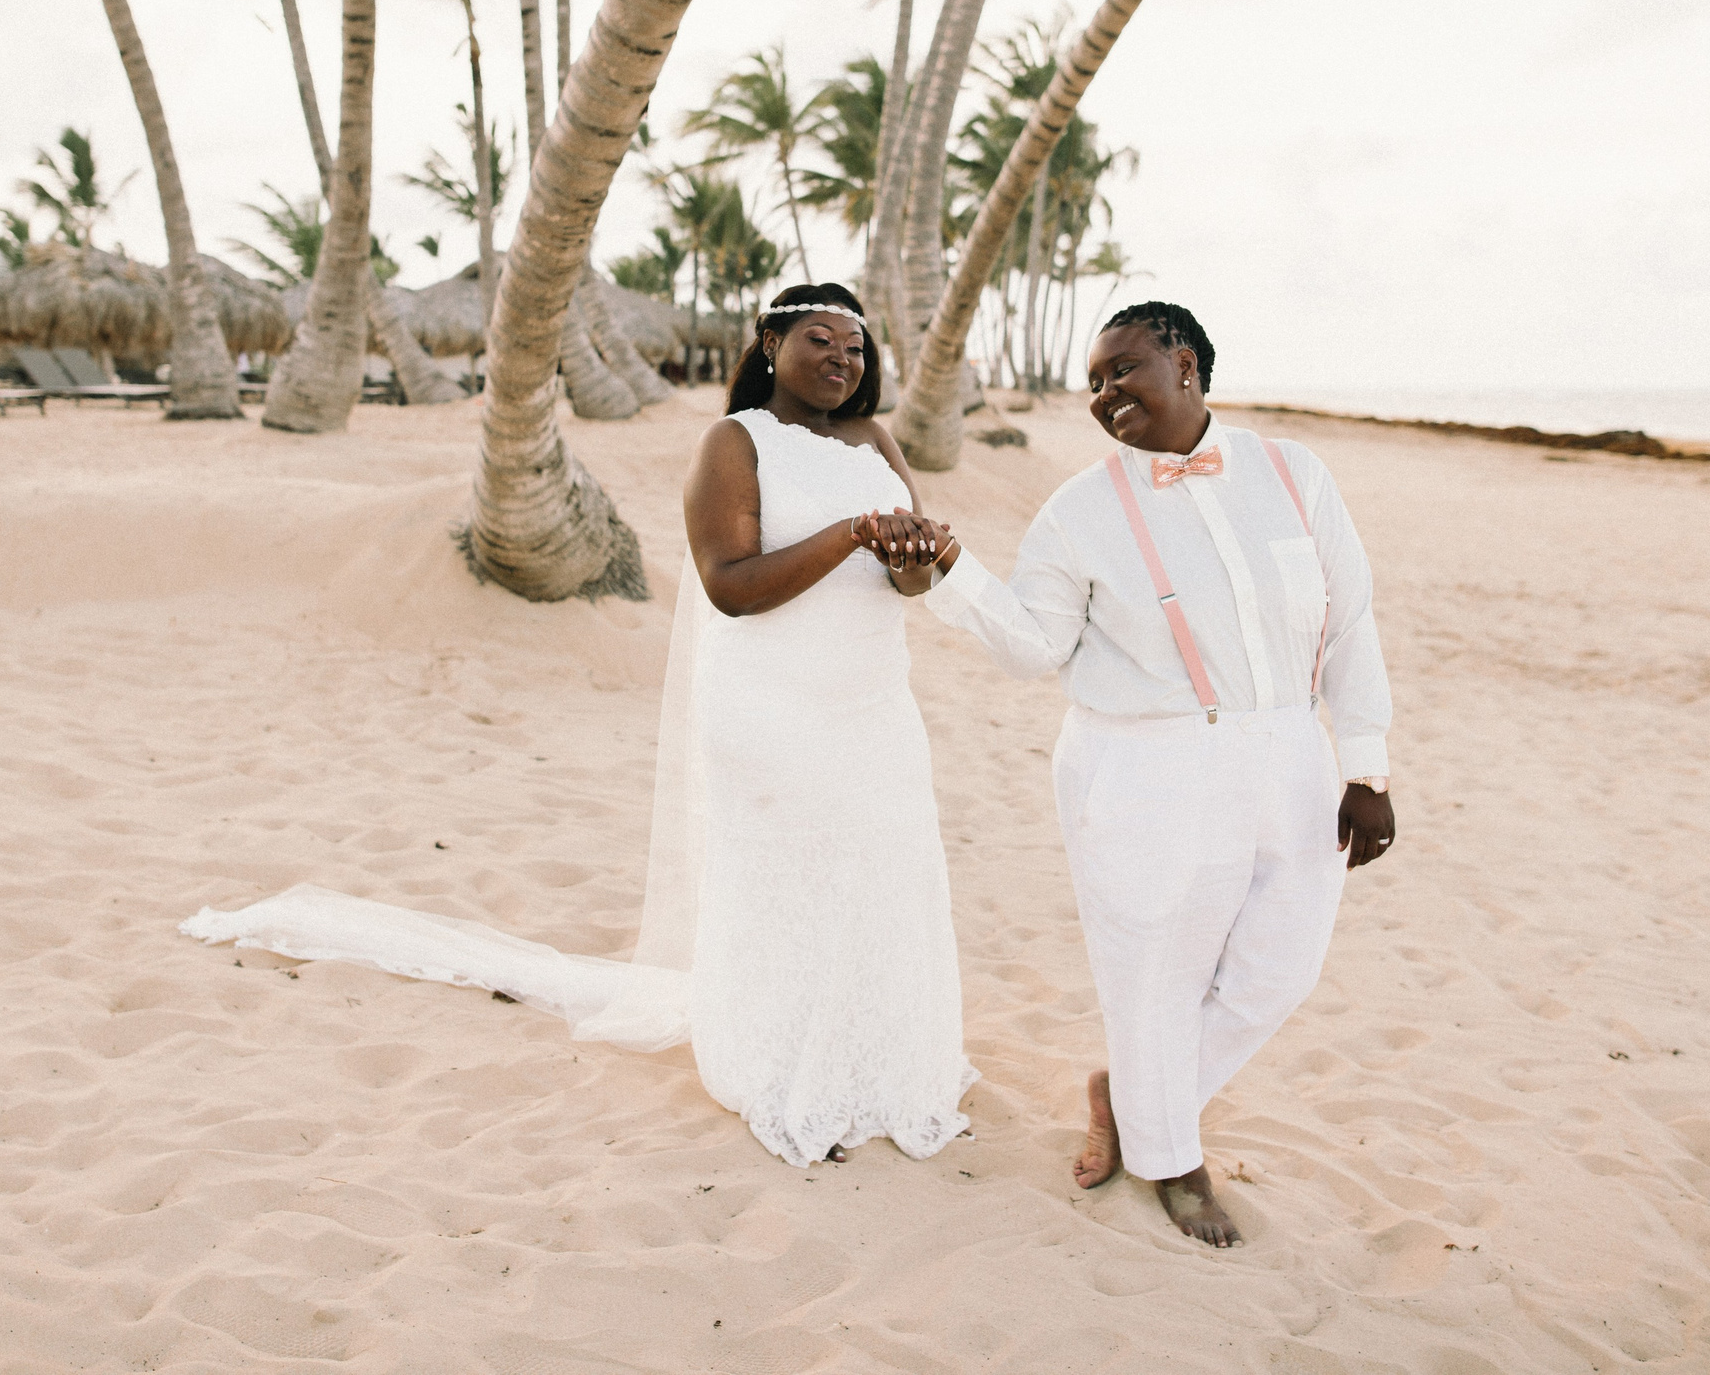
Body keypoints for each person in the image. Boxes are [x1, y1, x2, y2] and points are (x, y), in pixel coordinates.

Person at [183, 282, 975, 1170]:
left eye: (856, 349)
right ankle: (782, 1063)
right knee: (786, 880)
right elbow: (729, 585)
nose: (841, 360)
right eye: (820, 341)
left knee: (877, 872)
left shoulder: (876, 440)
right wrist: (852, 532)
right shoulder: (732, 441)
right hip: (773, 709)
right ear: (770, 345)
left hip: (871, 708)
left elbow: (913, 581)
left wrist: (911, 560)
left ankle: (875, 1058)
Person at [919, 300, 1396, 1246]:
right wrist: (952, 572)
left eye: (1123, 370)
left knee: (1279, 970)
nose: (1105, 395)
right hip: (1146, 764)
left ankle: (1130, 1093)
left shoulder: (1296, 474)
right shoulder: (1078, 511)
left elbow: (1351, 622)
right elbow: (1035, 646)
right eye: (1094, 382)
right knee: (1154, 978)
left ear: (1185, 363)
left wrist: (1367, 765)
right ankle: (1173, 1163)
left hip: (1292, 755)